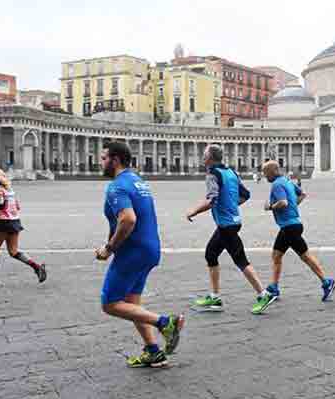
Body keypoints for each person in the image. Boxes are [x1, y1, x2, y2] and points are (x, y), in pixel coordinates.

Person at [95, 142, 184, 368]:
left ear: (115, 160)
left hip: (132, 251)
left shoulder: (117, 186)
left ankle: (165, 323)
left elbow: (128, 219)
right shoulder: (139, 182)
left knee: (110, 303)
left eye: (104, 158)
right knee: (132, 302)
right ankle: (152, 351)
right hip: (150, 248)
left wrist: (109, 248)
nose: (101, 162)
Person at [187, 145, 276, 315]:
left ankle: (263, 294)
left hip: (227, 225)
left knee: (240, 260)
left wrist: (193, 211)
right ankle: (215, 297)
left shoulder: (213, 174)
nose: (202, 157)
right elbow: (245, 195)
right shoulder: (231, 173)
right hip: (232, 222)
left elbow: (212, 199)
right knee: (211, 254)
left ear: (211, 158)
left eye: (205, 154)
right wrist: (231, 205)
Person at [260, 160, 335, 302]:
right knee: (278, 255)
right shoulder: (287, 181)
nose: (264, 176)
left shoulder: (277, 184)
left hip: (289, 227)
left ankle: (326, 282)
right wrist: (293, 207)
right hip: (293, 225)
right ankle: (274, 287)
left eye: (265, 173)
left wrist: (270, 207)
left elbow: (283, 202)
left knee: (304, 256)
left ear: (272, 171)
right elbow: (302, 194)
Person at [0, 168, 47, 289]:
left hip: (2, 224)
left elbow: (1, 204)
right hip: (15, 222)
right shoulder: (10, 191)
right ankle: (37, 267)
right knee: (13, 252)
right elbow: (17, 206)